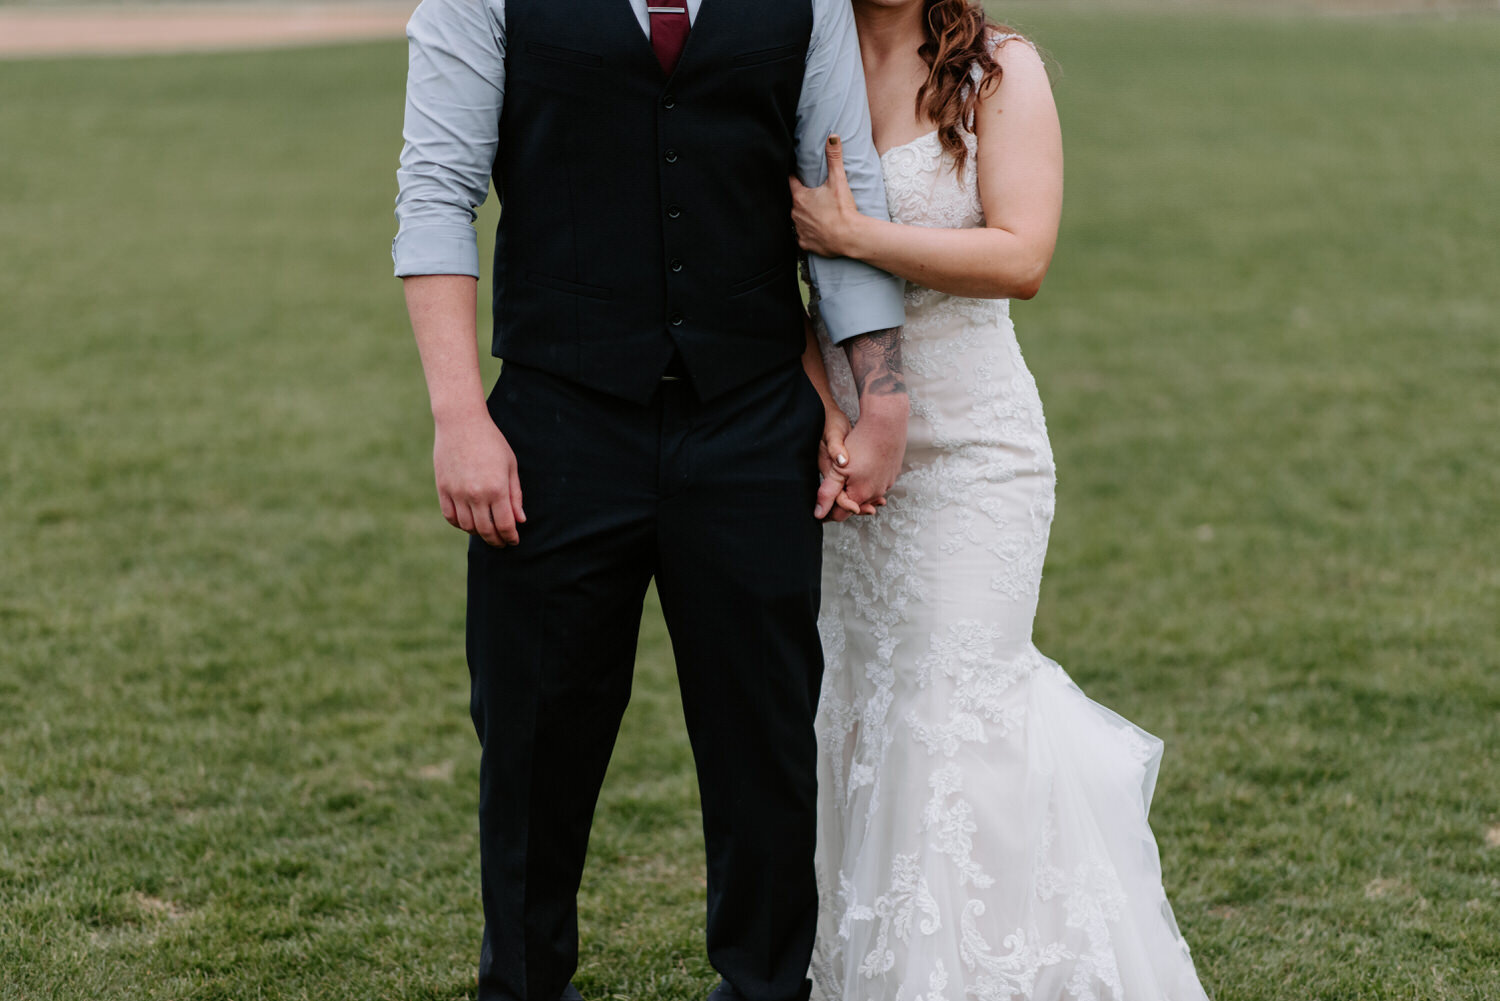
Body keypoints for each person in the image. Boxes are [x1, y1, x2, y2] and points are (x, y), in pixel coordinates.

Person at [392, 1, 916, 1000]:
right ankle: (525, 984)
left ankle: (767, 986)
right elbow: (435, 194)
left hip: (753, 417)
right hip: (555, 421)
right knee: (535, 735)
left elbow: (841, 183)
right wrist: (460, 416)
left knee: (764, 738)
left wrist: (880, 392)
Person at [790, 1, 1212, 998]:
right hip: (845, 448)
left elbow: (1022, 255)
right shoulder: (804, 62)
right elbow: (768, 277)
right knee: (865, 709)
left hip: (976, 451)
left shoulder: (998, 70)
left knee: (956, 707)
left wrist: (857, 230)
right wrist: (825, 415)